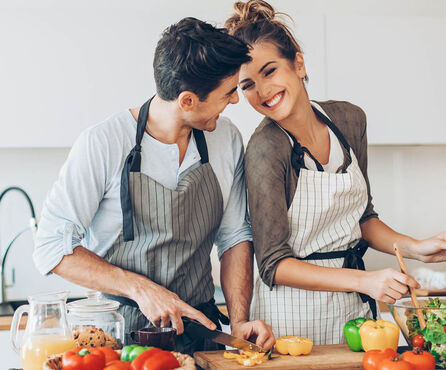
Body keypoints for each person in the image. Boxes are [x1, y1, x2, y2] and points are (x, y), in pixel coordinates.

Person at [224, 0, 446, 344]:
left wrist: (417, 248)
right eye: (247, 85)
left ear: (297, 62)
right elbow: (273, 264)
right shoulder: (266, 149)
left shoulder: (349, 120)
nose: (262, 92)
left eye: (269, 71)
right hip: (292, 321)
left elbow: (362, 219)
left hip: (355, 314)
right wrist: (365, 281)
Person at [34, 17, 275, 354]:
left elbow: (234, 237)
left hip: (200, 334)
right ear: (187, 100)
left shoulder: (226, 138)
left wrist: (238, 322)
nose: (234, 101)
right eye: (227, 93)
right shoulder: (103, 143)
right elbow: (51, 247)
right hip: (119, 339)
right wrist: (142, 289)